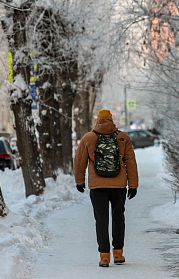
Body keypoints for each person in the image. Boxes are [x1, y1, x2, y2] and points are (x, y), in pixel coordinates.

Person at [74, 109, 139, 267]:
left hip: (97, 186)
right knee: (118, 218)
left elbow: (80, 161)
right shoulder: (123, 138)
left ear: (97, 120)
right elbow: (130, 162)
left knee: (101, 220)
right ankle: (118, 254)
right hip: (119, 185)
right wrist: (133, 185)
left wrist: (80, 181)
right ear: (112, 120)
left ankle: (104, 256)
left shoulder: (89, 138)